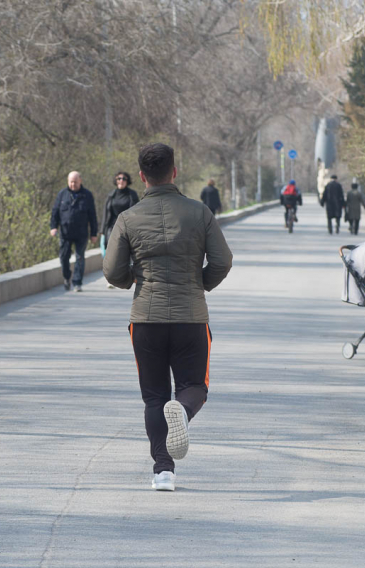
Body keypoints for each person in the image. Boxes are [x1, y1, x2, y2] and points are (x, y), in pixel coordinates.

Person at [103, 143, 233, 492]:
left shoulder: (128, 218)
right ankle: (184, 413)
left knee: (154, 397)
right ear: (174, 172)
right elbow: (222, 261)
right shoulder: (199, 212)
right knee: (195, 388)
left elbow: (112, 271)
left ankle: (163, 471)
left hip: (145, 319)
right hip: (191, 318)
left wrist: (135, 278)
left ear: (142, 177)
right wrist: (199, 284)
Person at [49, 171, 98, 292]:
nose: (73, 184)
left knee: (80, 258)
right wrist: (53, 227)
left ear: (80, 181)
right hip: (65, 233)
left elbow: (92, 215)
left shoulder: (87, 195)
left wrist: (93, 233)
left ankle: (77, 282)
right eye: (71, 182)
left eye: (75, 182)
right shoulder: (62, 194)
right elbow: (55, 212)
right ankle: (67, 276)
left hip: (81, 233)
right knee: (63, 257)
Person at [100, 172, 140, 287]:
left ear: (127, 181)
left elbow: (136, 212)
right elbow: (106, 213)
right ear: (116, 180)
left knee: (127, 251)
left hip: (127, 226)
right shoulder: (111, 195)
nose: (121, 180)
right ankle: (110, 278)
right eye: (119, 178)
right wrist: (102, 230)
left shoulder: (132, 195)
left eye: (123, 178)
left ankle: (126, 276)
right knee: (110, 252)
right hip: (112, 227)